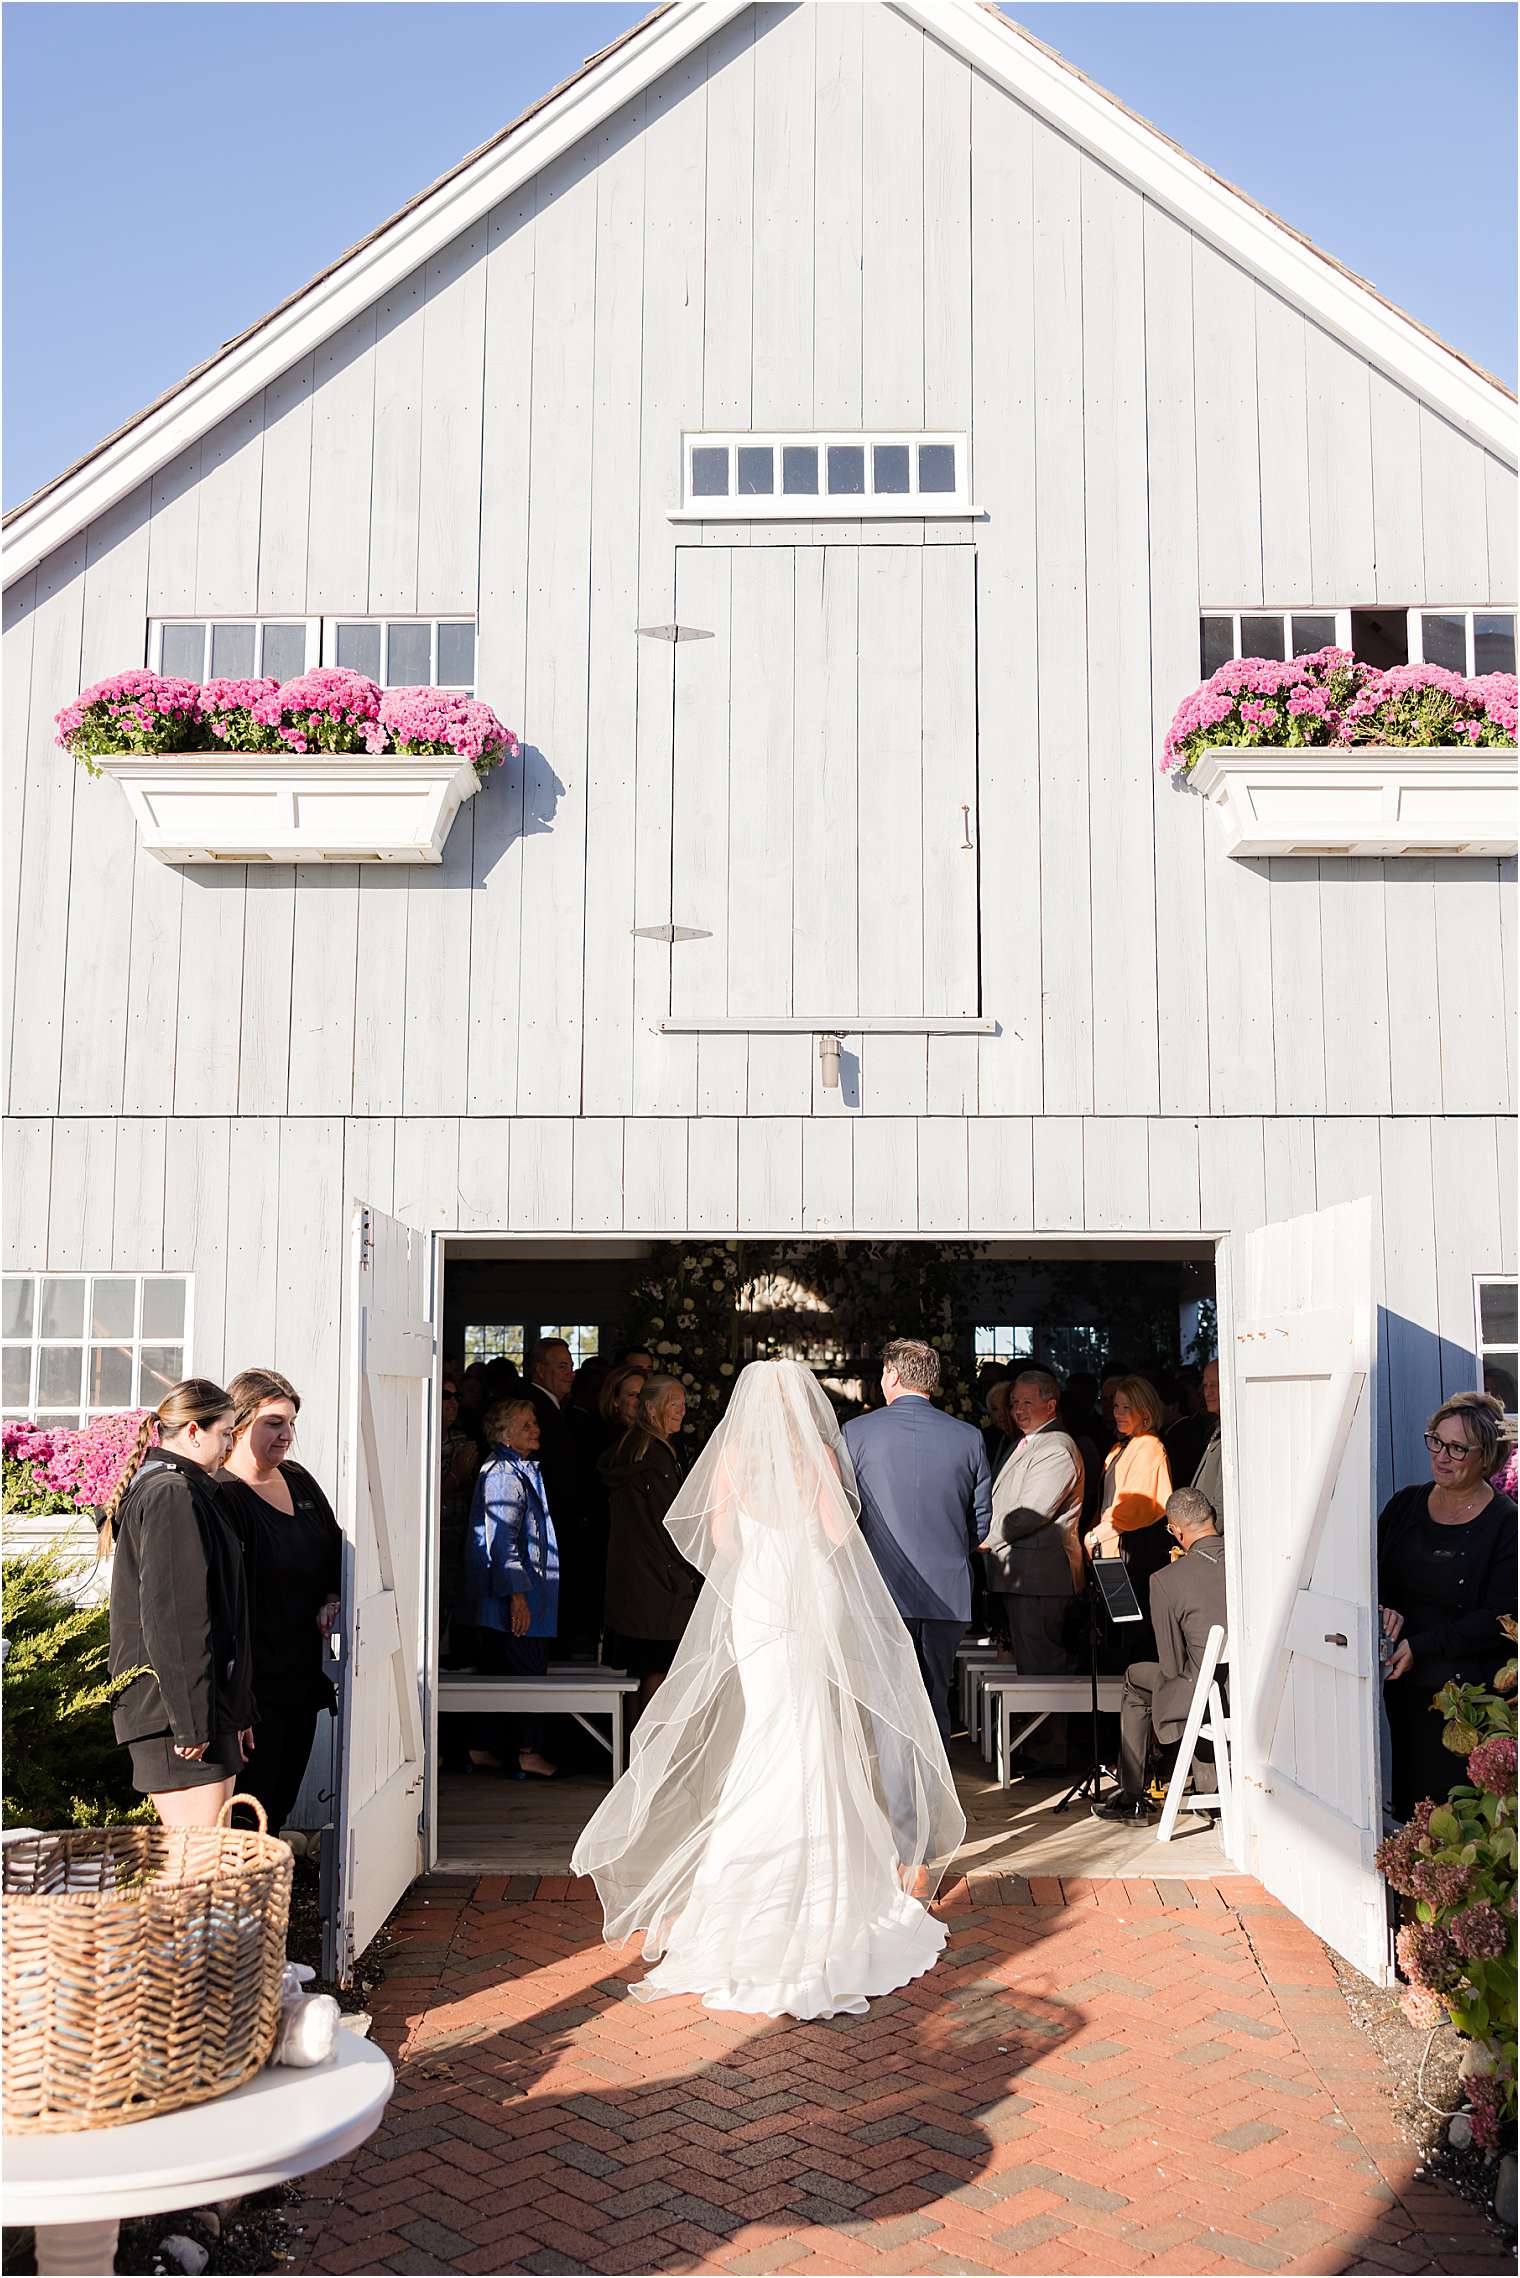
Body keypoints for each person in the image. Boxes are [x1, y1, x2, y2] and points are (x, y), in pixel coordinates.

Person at [572, 1360, 966, 2019]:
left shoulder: (731, 1455)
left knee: (767, 1729)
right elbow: (841, 1537)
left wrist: (763, 1551)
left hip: (757, 1600)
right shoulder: (811, 1456)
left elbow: (719, 1538)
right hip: (808, 1596)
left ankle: (740, 1894)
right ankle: (822, 1889)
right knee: (811, 1731)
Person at [104, 1380, 253, 1829]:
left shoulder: (184, 1488)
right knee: (197, 1865)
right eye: (225, 1433)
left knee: (201, 1862)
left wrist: (235, 1710)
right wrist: (192, 1722)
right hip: (176, 1717)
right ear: (193, 1432)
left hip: (198, 1709)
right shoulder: (172, 1493)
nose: (230, 1445)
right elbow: (174, 1617)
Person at [842, 1338, 992, 1746]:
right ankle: (932, 1801)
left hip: (881, 1589)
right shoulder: (967, 1437)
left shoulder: (855, 1433)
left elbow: (843, 1513)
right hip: (946, 1591)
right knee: (934, 1698)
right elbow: (981, 1523)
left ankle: (898, 1803)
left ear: (891, 1375)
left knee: (887, 1700)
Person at [1378, 1391, 1517, 1822]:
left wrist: (1423, 1645)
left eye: (1458, 1447)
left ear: (1486, 1458)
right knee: (1411, 1803)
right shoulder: (1405, 1505)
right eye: (1435, 1441)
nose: (1442, 1455)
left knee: (1457, 1812)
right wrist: (1381, 1606)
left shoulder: (1506, 1524)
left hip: (1467, 1694)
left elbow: (1501, 1618)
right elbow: (1365, 1572)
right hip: (1403, 1684)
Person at [217, 1369, 342, 1837]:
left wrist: (332, 1597)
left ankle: (264, 1903)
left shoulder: (298, 1480)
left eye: (291, 1423)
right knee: (245, 1815)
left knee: (280, 1804)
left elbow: (332, 1551)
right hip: (253, 1689)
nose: (286, 1435)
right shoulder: (221, 1495)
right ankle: (238, 1905)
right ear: (239, 1423)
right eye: (273, 1423)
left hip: (301, 1679)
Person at [1094, 1486, 1228, 1822]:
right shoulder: (1248, 1560)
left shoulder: (1166, 1579)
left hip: (1202, 1688)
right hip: (1248, 1682)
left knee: (1135, 1679)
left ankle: (1132, 1794)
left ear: (1177, 1530)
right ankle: (1208, 1786)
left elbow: (1172, 1663)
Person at [978, 1370, 1084, 1767]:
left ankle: (1051, 1751)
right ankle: (1039, 1745)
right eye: (1015, 1403)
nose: (1017, 1410)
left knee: (1044, 1667)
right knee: (1031, 1664)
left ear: (1050, 1405)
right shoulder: (1030, 1441)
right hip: (1024, 1574)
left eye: (1026, 1402)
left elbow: (1031, 1512)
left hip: (1041, 1576)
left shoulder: (1056, 1446)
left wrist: (986, 1538)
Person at [463, 1395, 560, 1778]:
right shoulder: (504, 1472)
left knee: (499, 1673)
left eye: (534, 1423)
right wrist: (518, 1597)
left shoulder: (514, 1468)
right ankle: (528, 1753)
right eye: (526, 1425)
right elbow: (503, 1540)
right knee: (525, 1673)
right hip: (513, 1597)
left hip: (505, 1596)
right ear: (504, 1433)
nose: (535, 1430)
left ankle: (481, 1748)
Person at [602, 1374, 702, 1717]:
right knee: (659, 1672)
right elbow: (669, 1524)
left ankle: (632, 1752)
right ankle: (646, 1757)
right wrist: (691, 1571)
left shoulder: (630, 1447)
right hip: (659, 1584)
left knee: (638, 1674)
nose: (682, 1410)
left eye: (683, 1402)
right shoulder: (654, 1456)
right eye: (674, 1402)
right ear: (651, 1407)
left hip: (633, 1584)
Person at [1085, 1376, 1174, 1660]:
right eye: (1116, 1407)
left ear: (1145, 1412)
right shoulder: (1121, 1448)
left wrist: (1098, 1534)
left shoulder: (1148, 1447)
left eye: (1127, 1408)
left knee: (1129, 1633)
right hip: (1112, 1551)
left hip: (1130, 1553)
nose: (1118, 1414)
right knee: (1116, 1629)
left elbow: (1138, 1505)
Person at [526, 1337, 595, 1657]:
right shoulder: (535, 1408)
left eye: (571, 1366)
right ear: (540, 1370)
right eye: (562, 1366)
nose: (571, 1373)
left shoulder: (555, 1409)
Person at [438, 1371, 483, 1668]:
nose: (452, 1403)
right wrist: (456, 1473)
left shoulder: (462, 1440)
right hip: (432, 1536)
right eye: (445, 1395)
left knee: (456, 1599)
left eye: (456, 1396)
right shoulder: (418, 1440)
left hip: (460, 1532)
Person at [1189, 1359, 1224, 1525]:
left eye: (1214, 1385)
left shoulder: (1234, 1432)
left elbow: (1224, 1503)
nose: (1207, 1392)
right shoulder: (1215, 1428)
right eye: (1205, 1385)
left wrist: (1202, 1535)